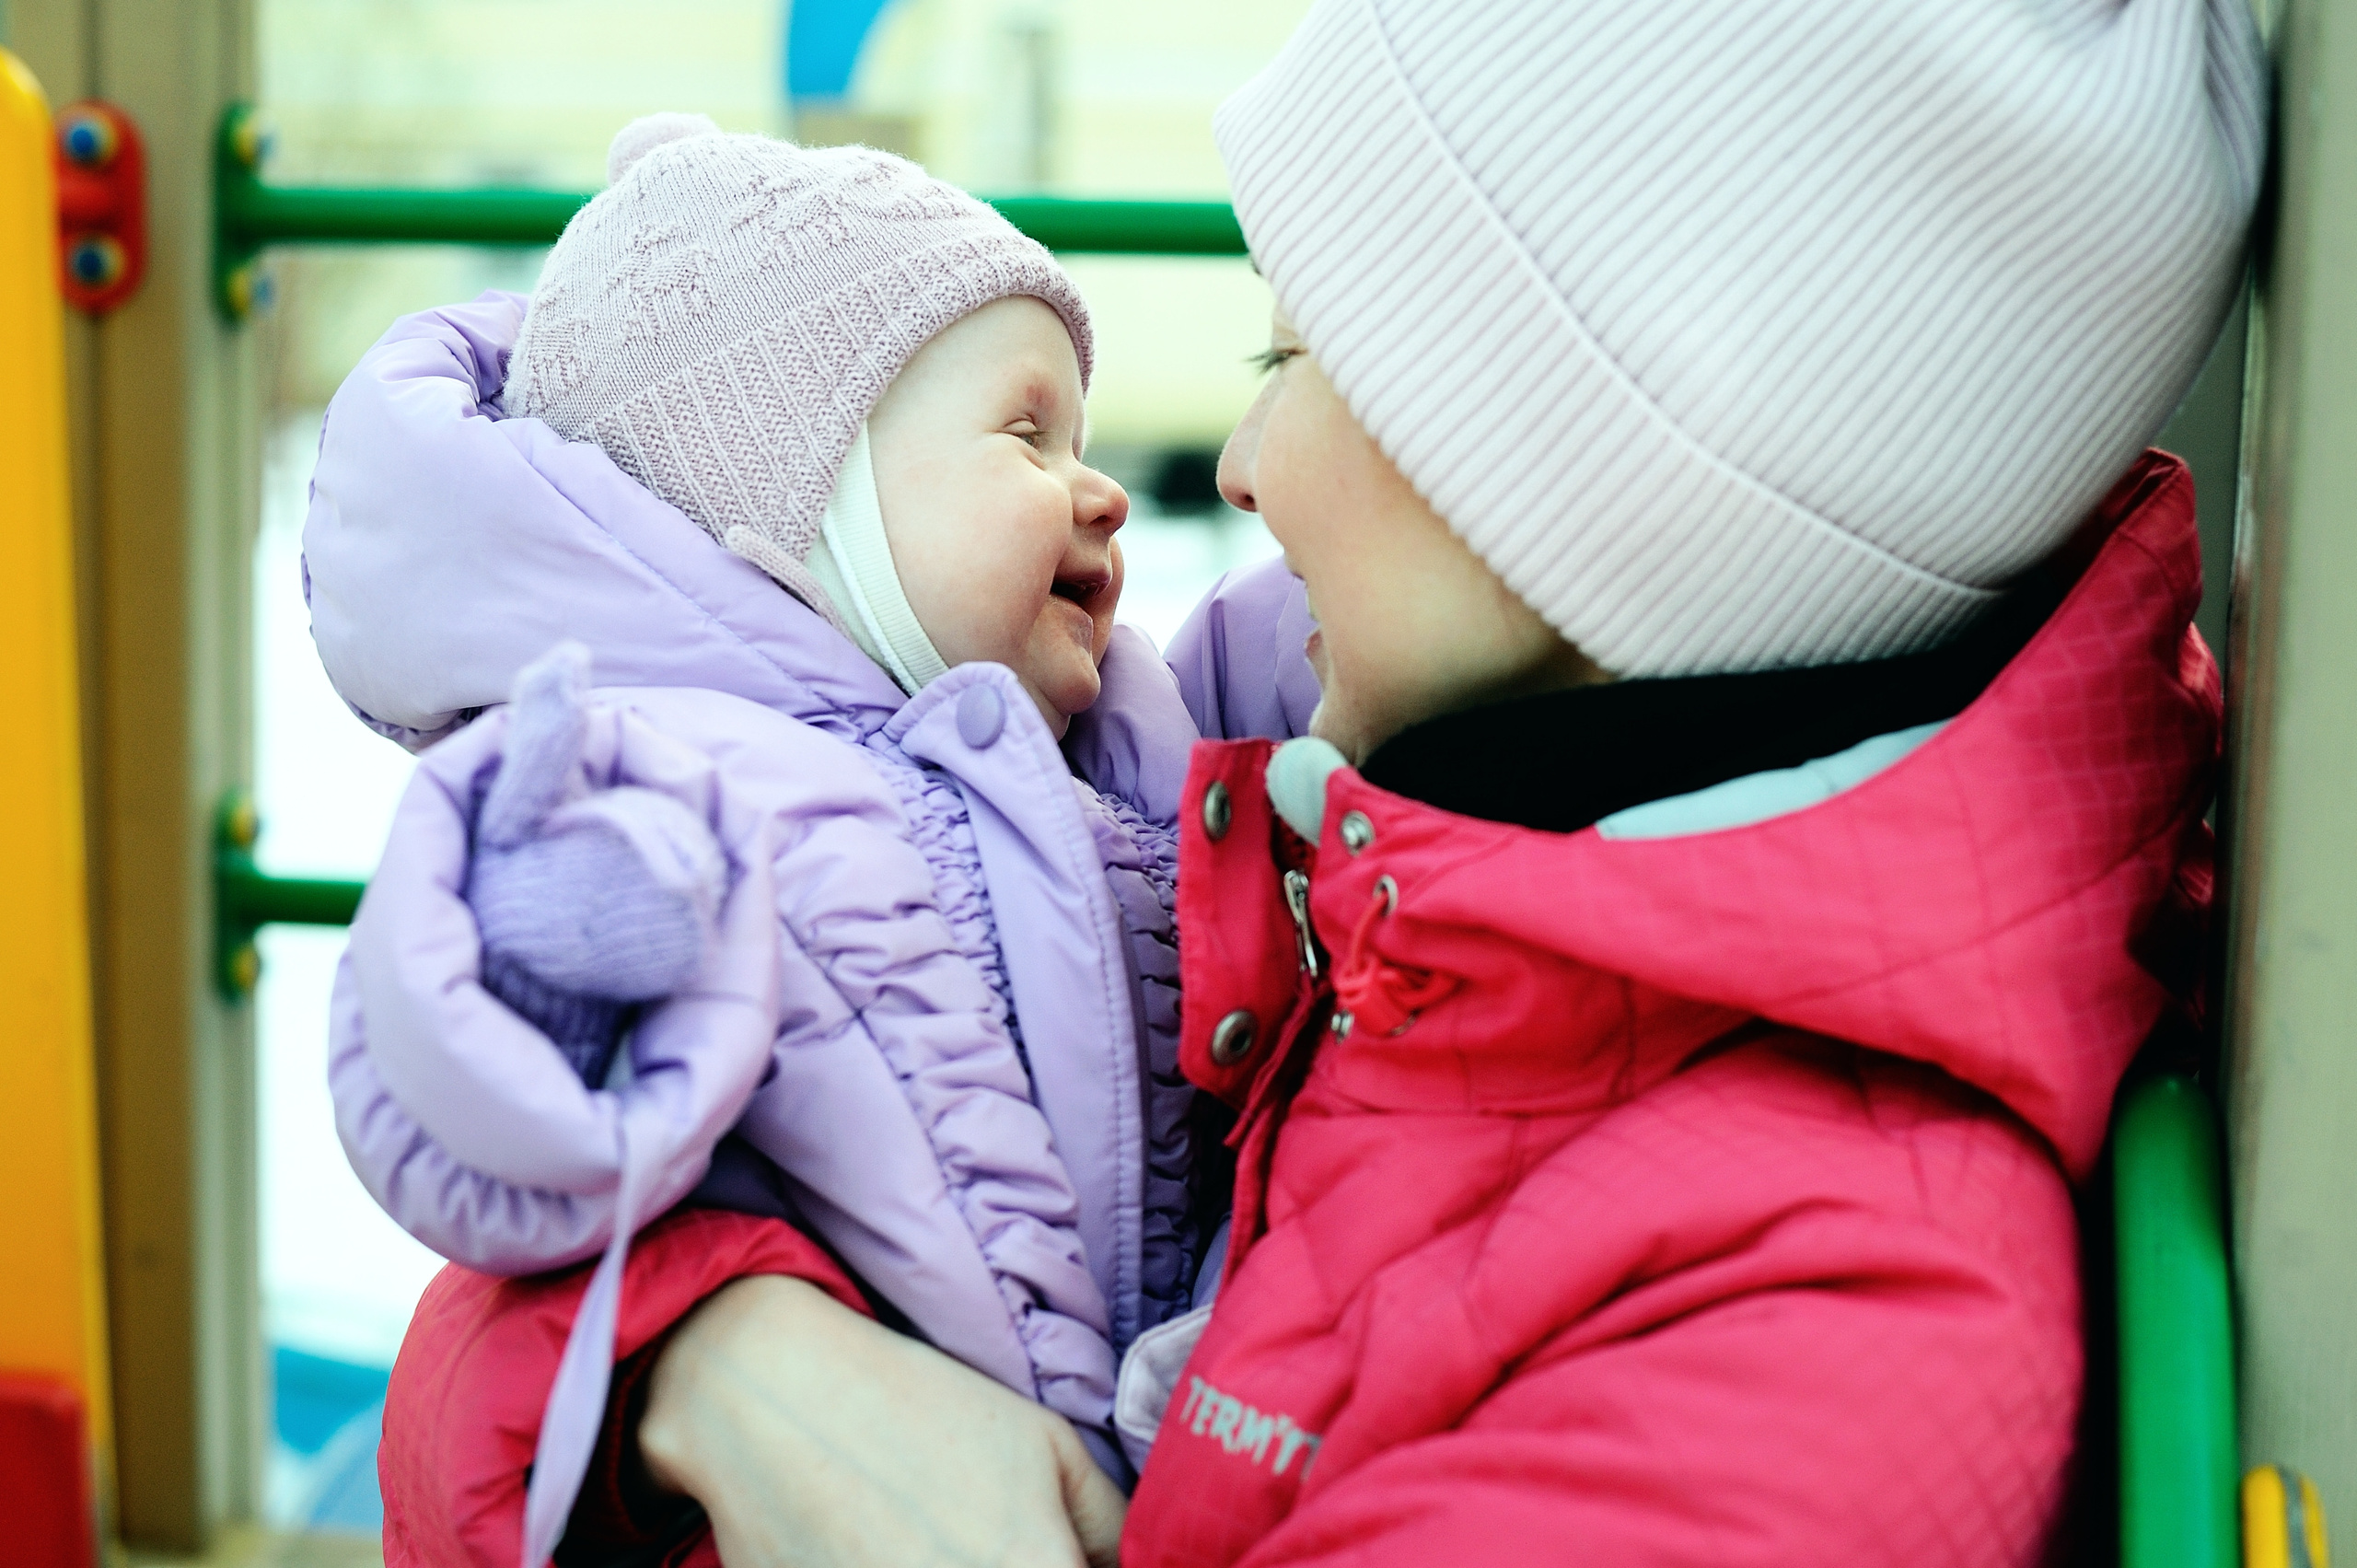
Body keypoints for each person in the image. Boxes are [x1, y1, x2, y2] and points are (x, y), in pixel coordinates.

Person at [374, 0, 2269, 1563]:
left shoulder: (1807, 1336)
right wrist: (711, 1360)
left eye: (1297, 349)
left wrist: (697, 1383)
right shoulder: (1410, 901)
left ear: (1579, 466)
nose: (1242, 468)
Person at [304, 113, 1219, 1568]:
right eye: (1027, 433)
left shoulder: (1119, 750)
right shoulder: (656, 778)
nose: (1100, 490)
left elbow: (1285, 656)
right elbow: (458, 1083)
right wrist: (559, 942)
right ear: (797, 499)